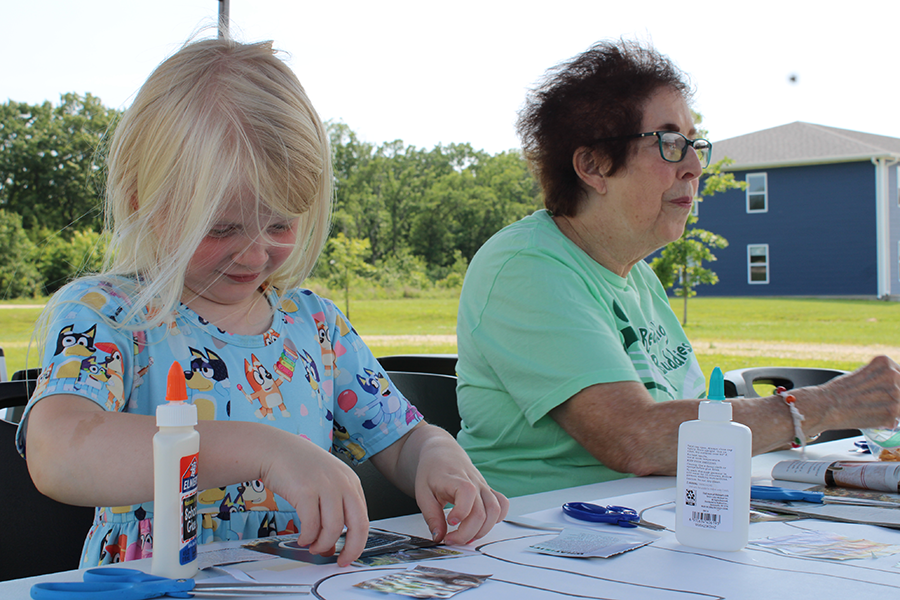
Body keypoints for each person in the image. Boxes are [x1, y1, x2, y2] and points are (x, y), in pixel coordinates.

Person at [18, 37, 507, 568]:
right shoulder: (110, 316)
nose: (254, 252)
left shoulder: (316, 328)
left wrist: (437, 457)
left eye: (279, 224)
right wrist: (263, 450)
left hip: (300, 581)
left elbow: (401, 438)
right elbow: (58, 452)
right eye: (221, 227)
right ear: (144, 202)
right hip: (156, 584)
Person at [455, 39, 900, 498]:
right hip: (538, 543)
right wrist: (822, 406)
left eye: (694, 144)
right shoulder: (526, 267)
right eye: (670, 143)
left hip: (650, 530)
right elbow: (637, 439)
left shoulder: (638, 278)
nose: (693, 166)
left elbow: (694, 429)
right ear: (592, 165)